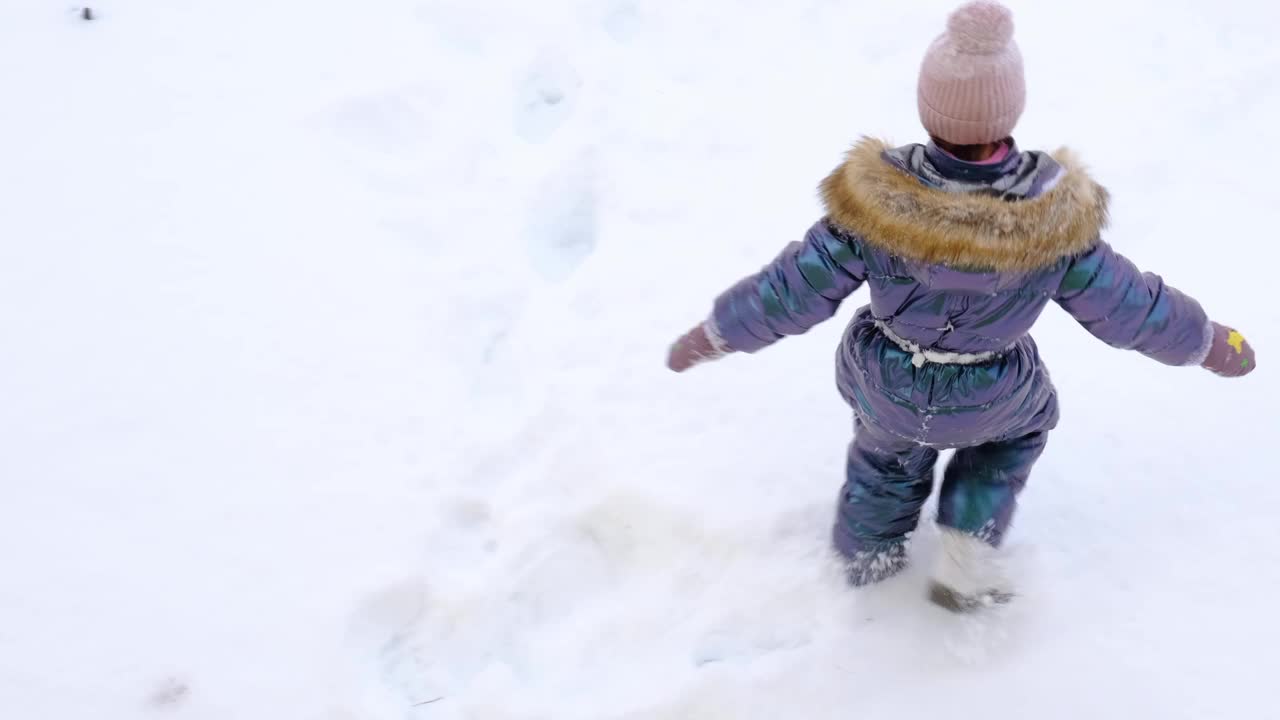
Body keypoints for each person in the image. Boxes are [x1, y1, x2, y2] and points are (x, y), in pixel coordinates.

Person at [665, 0, 1256, 611]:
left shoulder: (873, 207)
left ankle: (867, 556)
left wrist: (717, 333)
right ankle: (967, 552)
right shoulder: (1052, 223)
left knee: (883, 459)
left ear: (929, 110)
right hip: (992, 391)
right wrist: (1209, 342)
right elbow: (1133, 307)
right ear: (1011, 110)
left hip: (884, 380)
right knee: (1018, 433)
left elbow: (790, 288)